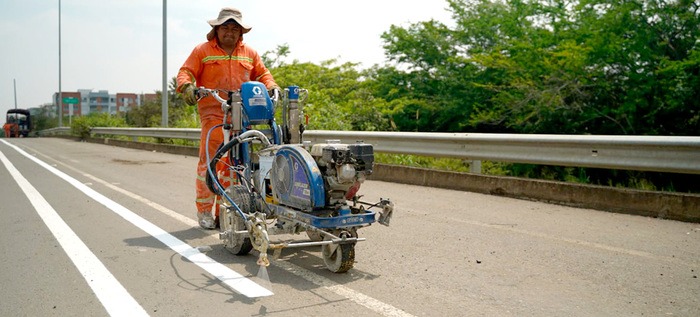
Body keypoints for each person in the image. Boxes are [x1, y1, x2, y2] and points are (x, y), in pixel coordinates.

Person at [177, 7, 280, 229]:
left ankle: (224, 212)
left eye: (235, 28)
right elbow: (185, 72)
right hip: (214, 114)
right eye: (225, 27)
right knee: (211, 163)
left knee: (236, 164)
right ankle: (204, 211)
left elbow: (263, 74)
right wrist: (187, 88)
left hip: (243, 116)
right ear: (217, 29)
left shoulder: (250, 53)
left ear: (241, 32)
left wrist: (271, 87)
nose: (230, 32)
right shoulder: (202, 51)